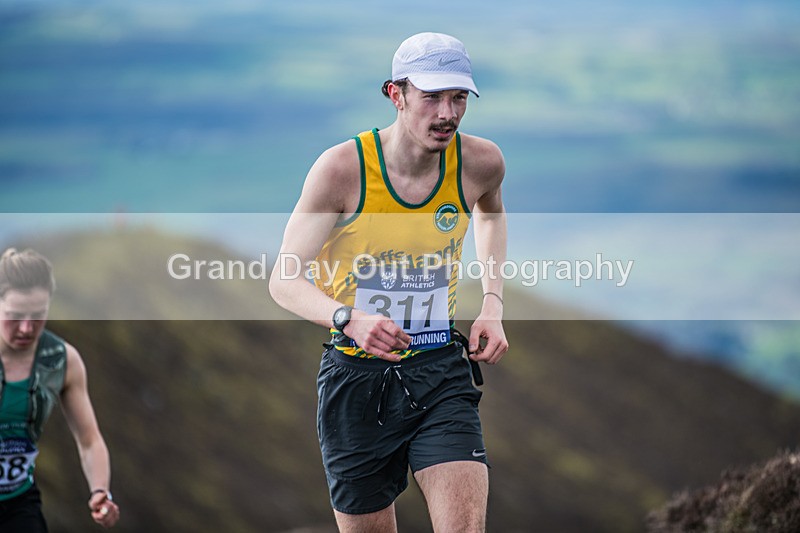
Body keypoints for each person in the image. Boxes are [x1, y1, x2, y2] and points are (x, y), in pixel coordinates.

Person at [270, 32, 508, 532]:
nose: (447, 114)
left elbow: (490, 215)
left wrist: (492, 303)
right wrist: (350, 319)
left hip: (440, 371)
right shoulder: (341, 170)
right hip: (355, 382)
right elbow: (283, 280)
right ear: (395, 94)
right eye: (432, 97)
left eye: (459, 97)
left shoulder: (481, 162)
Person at [0, 248, 120, 531]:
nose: (26, 328)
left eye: (38, 316)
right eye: (14, 316)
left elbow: (89, 440)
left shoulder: (62, 360)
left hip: (18, 505)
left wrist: (100, 492)